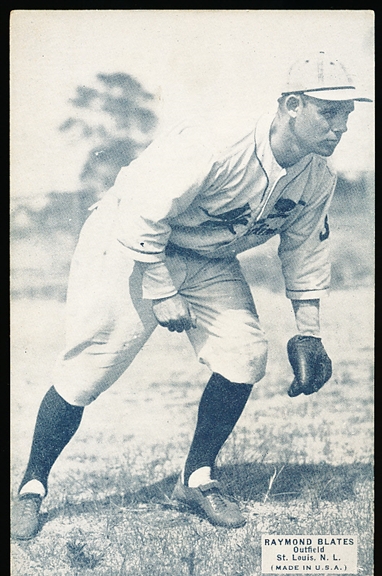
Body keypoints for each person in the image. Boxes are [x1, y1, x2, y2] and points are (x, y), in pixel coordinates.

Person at [11, 51, 371, 539]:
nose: (341, 126)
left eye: (347, 113)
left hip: (207, 256)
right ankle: (32, 488)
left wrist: (309, 333)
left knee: (245, 355)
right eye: (329, 112)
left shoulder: (318, 176)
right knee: (88, 371)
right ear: (291, 105)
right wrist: (161, 292)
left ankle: (196, 479)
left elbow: (305, 251)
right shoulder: (218, 142)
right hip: (127, 244)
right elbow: (138, 215)